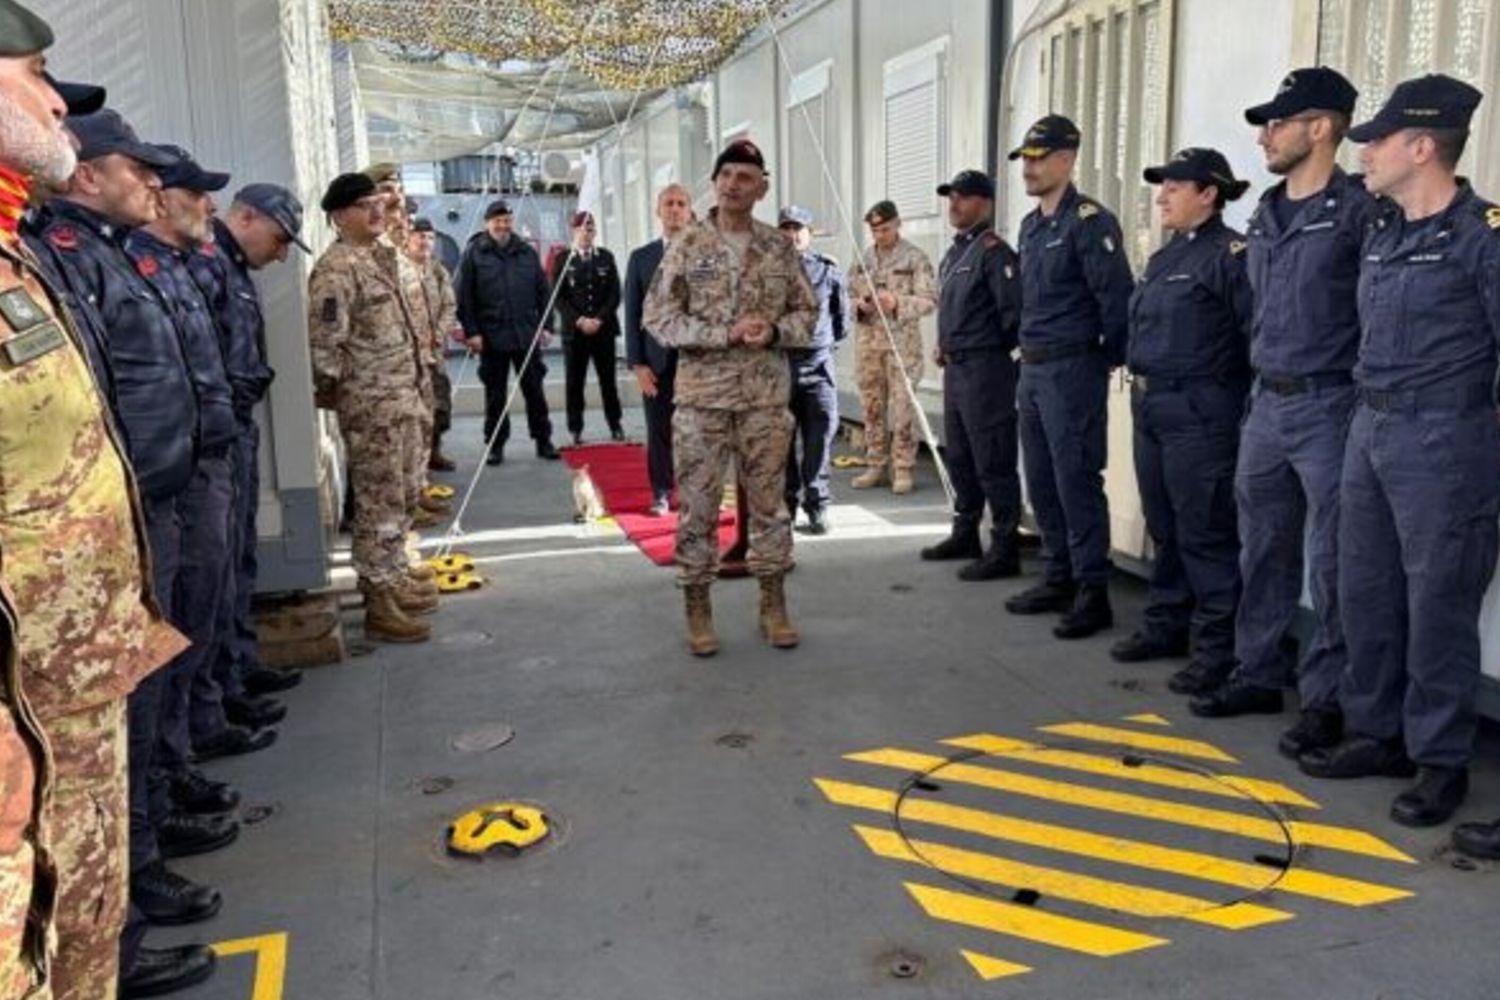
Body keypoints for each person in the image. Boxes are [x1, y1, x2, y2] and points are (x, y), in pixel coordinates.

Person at [1, 17, 203, 995]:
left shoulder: (19, 255)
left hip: (70, 670)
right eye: (36, 77)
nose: (52, 103)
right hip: (24, 703)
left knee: (83, 923)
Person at [33, 107, 241, 997]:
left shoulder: (117, 254)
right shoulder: (67, 256)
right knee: (123, 715)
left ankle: (146, 848)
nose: (154, 187)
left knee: (159, 686)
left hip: (160, 492)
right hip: (113, 520)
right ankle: (123, 911)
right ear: (89, 178)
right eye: (139, 170)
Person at [1300, 75, 1500, 832]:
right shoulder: (1382, 229)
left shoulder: (1483, 234)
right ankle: (1376, 731)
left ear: (1423, 147)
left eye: (1378, 139)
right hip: (1370, 427)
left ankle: (1439, 759)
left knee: (1438, 604)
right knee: (1365, 589)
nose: (1366, 153)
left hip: (1445, 438)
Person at [1187, 69, 1371, 747]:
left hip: (1331, 403)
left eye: (1278, 123)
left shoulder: (1359, 211)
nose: (1264, 135)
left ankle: (1326, 698)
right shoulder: (1265, 211)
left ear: (1320, 128)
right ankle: (1257, 670)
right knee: (1261, 549)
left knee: (1333, 563)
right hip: (1267, 404)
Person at [125, 144, 273, 937]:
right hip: (159, 485)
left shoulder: (172, 265)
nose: (194, 205)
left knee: (206, 604)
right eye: (187, 192)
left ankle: (186, 753)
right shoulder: (99, 263)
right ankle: (149, 824)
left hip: (202, 459)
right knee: (161, 648)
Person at [643, 139, 816, 656]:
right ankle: (698, 607)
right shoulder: (689, 243)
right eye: (726, 175)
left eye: (745, 177)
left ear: (761, 188)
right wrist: (721, 333)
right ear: (715, 183)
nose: (733, 184)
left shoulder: (778, 247)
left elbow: (808, 315)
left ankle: (774, 602)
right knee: (696, 506)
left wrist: (776, 330)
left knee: (770, 504)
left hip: (764, 399)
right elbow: (658, 316)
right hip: (702, 401)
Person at [1122, 149, 1253, 697]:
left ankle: (1217, 651)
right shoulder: (1165, 257)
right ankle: (1166, 624)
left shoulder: (1232, 256)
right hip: (1152, 406)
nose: (1161, 197)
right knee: (1165, 526)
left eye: (1174, 187)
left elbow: (1254, 338)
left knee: (1205, 533)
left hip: (1201, 411)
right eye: (1162, 187)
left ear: (1209, 193)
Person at [184, 182, 309, 737]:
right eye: (279, 239)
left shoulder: (230, 269)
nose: (280, 254)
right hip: (211, 438)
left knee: (236, 560)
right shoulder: (205, 265)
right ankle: (213, 706)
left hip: (234, 430)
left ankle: (236, 672)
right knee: (209, 577)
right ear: (248, 218)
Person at [1005, 115, 1134, 639]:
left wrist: (1099, 360)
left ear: (1066, 159)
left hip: (1072, 368)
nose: (1030, 169)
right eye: (1026, 160)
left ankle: (1092, 591)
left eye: (1039, 158)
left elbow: (1118, 302)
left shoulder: (1090, 222)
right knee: (1041, 479)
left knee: (1077, 479)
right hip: (1033, 368)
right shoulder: (1032, 225)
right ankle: (1057, 575)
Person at [308, 172, 439, 643]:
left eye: (379, 202)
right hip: (373, 406)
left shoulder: (377, 258)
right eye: (366, 205)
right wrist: (351, 399)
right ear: (340, 216)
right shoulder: (336, 269)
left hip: (402, 398)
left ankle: (394, 575)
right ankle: (379, 599)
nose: (378, 210)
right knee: (378, 503)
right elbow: (325, 350)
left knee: (400, 495)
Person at [918, 171, 1023, 582]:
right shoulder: (955, 253)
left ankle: (1004, 546)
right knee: (959, 455)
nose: (954, 205)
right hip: (957, 369)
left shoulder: (995, 252)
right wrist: (947, 343)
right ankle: (965, 533)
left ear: (985, 203)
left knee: (992, 458)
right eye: (951, 198)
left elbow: (1013, 315)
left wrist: (994, 357)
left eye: (963, 198)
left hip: (987, 370)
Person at [454, 199, 560, 465]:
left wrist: (546, 326)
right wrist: (472, 332)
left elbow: (542, 292)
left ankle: (543, 440)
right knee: (495, 395)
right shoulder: (474, 253)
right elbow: (463, 297)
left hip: (525, 334)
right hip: (491, 337)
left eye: (507, 221)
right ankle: (496, 445)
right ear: (487, 223)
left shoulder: (525, 252)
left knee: (535, 391)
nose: (503, 226)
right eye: (498, 221)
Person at [849, 200, 937, 495]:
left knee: (902, 410)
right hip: (869, 347)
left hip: (902, 348)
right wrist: (859, 305)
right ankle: (875, 464)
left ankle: (903, 468)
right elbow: (846, 297)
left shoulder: (915, 258)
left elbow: (929, 301)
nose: (879, 235)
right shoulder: (864, 259)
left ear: (898, 224)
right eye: (874, 230)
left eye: (885, 229)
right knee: (871, 407)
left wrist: (898, 303)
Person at [778, 204, 848, 535]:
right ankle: (787, 505)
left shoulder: (828, 271)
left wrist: (822, 346)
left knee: (819, 437)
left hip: (818, 367)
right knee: (782, 443)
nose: (792, 235)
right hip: (780, 368)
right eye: (786, 229)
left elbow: (841, 321)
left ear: (809, 234)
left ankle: (817, 504)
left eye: (798, 229)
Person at [624, 184, 691, 515]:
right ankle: (662, 491)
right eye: (669, 203)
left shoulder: (706, 254)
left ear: (690, 211)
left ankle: (695, 491)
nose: (675, 209)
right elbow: (632, 314)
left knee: (699, 432)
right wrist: (637, 364)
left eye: (681, 203)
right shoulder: (641, 258)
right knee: (659, 430)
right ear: (658, 210)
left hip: (697, 362)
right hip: (656, 361)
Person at [553, 210, 625, 446]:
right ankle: (575, 428)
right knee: (575, 382)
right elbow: (558, 298)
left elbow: (615, 294)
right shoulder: (563, 260)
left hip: (603, 331)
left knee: (608, 381)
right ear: (574, 231)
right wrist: (580, 320)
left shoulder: (606, 257)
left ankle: (615, 424)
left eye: (591, 228)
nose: (587, 232)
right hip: (575, 333)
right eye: (582, 228)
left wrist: (599, 319)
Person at [408, 216, 460, 471]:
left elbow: (449, 306)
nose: (425, 242)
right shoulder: (400, 269)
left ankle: (434, 452)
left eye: (430, 238)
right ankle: (416, 463)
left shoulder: (438, 270)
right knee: (414, 411)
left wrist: (437, 336)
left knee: (440, 405)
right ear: (409, 238)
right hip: (408, 354)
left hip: (434, 352)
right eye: (420, 236)